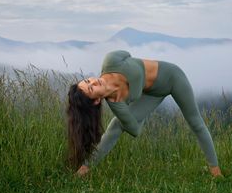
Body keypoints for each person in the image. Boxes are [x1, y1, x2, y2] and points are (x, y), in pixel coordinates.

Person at [66, 50, 222, 178]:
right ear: (96, 101)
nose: (94, 82)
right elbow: (135, 130)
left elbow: (126, 54)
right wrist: (130, 116)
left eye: (88, 81)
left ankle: (216, 172)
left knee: (195, 122)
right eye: (91, 89)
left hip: (173, 77)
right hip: (152, 94)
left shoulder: (111, 61)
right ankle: (85, 168)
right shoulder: (116, 104)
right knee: (114, 126)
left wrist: (130, 108)